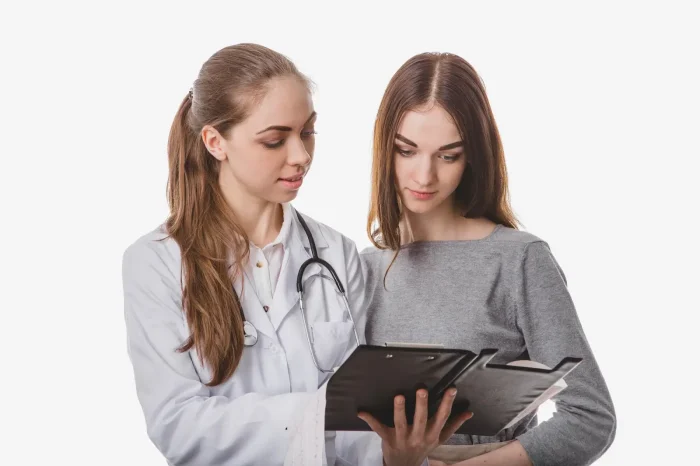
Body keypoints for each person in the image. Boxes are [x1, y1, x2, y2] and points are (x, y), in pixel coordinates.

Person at [121, 43, 470, 466]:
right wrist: (316, 412)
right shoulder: (156, 263)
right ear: (215, 142)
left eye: (307, 132)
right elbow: (177, 425)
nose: (301, 156)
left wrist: (394, 453)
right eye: (275, 140)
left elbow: (358, 425)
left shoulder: (337, 256)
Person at [360, 52, 617, 466]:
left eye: (448, 155)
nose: (424, 176)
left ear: (473, 155)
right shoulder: (363, 268)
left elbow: (589, 419)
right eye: (406, 151)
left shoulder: (518, 260)